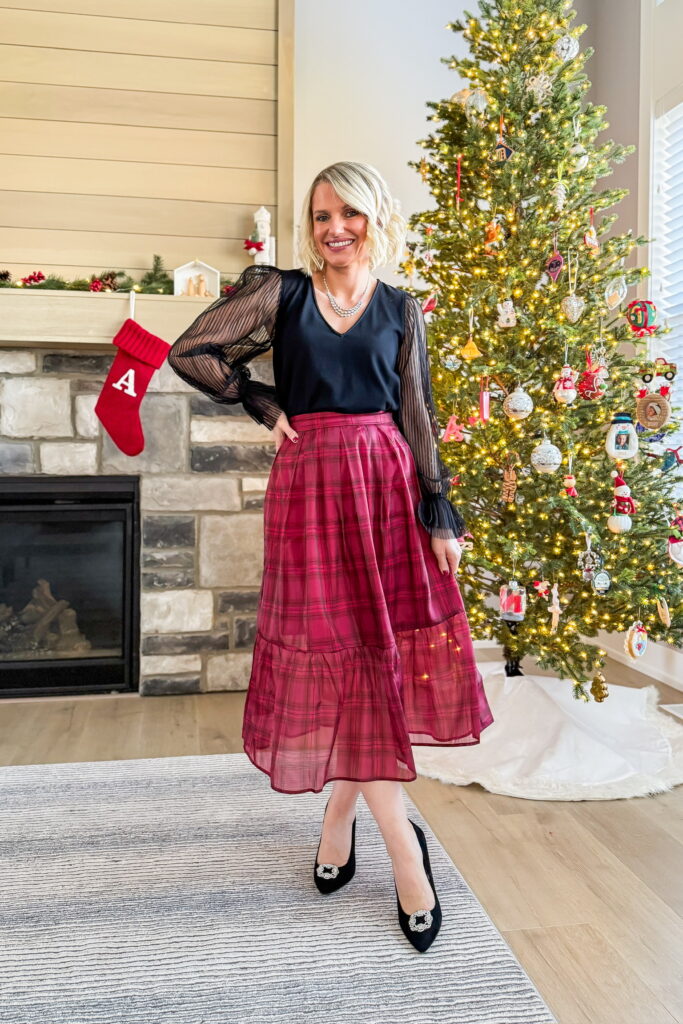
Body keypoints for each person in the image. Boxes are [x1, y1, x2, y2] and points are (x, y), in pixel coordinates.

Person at [167, 160, 494, 952]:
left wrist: (438, 511)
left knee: (370, 662)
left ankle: (341, 814)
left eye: (347, 213)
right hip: (311, 489)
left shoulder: (400, 310)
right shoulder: (278, 293)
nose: (332, 228)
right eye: (319, 216)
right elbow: (193, 351)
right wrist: (258, 397)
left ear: (373, 217)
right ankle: (404, 850)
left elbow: (415, 411)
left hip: (385, 488)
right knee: (335, 653)